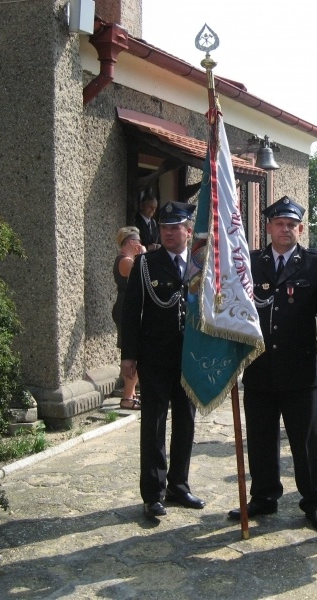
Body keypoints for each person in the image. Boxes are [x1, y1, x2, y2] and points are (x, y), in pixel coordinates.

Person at [228, 196, 317, 534]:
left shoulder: (316, 264)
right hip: (259, 369)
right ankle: (264, 497)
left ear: (300, 229)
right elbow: (233, 309)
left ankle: (314, 503)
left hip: (300, 370)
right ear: (268, 228)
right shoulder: (250, 262)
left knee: (306, 443)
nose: (285, 229)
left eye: (292, 224)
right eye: (279, 224)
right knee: (261, 440)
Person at [121, 200, 205, 519]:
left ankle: (178, 486)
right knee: (154, 426)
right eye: (164, 227)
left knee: (186, 424)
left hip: (191, 359)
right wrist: (128, 355)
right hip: (155, 358)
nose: (169, 233)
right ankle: (153, 493)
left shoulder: (201, 265)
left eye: (175, 227)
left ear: (188, 230)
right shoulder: (145, 264)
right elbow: (131, 314)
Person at [112, 226, 145, 410]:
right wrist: (145, 254)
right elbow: (142, 273)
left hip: (128, 308)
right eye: (138, 242)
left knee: (135, 351)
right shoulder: (125, 261)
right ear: (132, 243)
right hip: (125, 309)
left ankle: (131, 393)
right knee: (131, 351)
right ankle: (127, 397)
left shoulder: (128, 259)